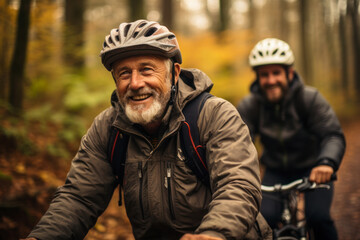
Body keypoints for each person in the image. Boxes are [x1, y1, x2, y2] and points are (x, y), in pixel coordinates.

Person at [23, 20, 267, 240]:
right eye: (124, 73)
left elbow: (238, 185)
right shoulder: (108, 129)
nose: (135, 83)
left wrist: (214, 234)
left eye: (147, 69)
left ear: (174, 73)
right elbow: (78, 198)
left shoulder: (213, 115)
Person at [236, 38, 346, 239]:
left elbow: (332, 134)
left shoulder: (309, 99)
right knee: (261, 221)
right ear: (257, 78)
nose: (270, 80)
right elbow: (238, 143)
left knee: (318, 218)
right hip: (275, 172)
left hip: (313, 169)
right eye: (264, 75)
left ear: (290, 73)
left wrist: (326, 163)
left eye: (276, 73)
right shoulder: (250, 106)